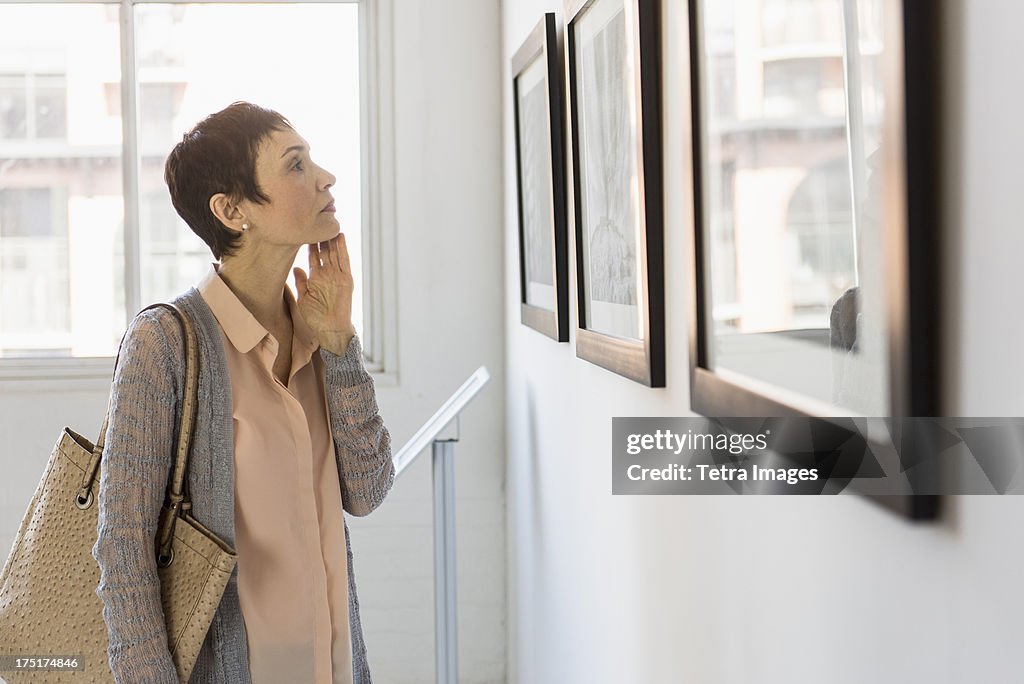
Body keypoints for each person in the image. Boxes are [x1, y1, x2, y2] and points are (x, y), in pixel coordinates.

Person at [90, 101, 395, 684]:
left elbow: (369, 489)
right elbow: (122, 550)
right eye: (296, 165)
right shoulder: (165, 345)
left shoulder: (317, 329)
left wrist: (340, 345)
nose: (325, 177)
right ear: (232, 210)